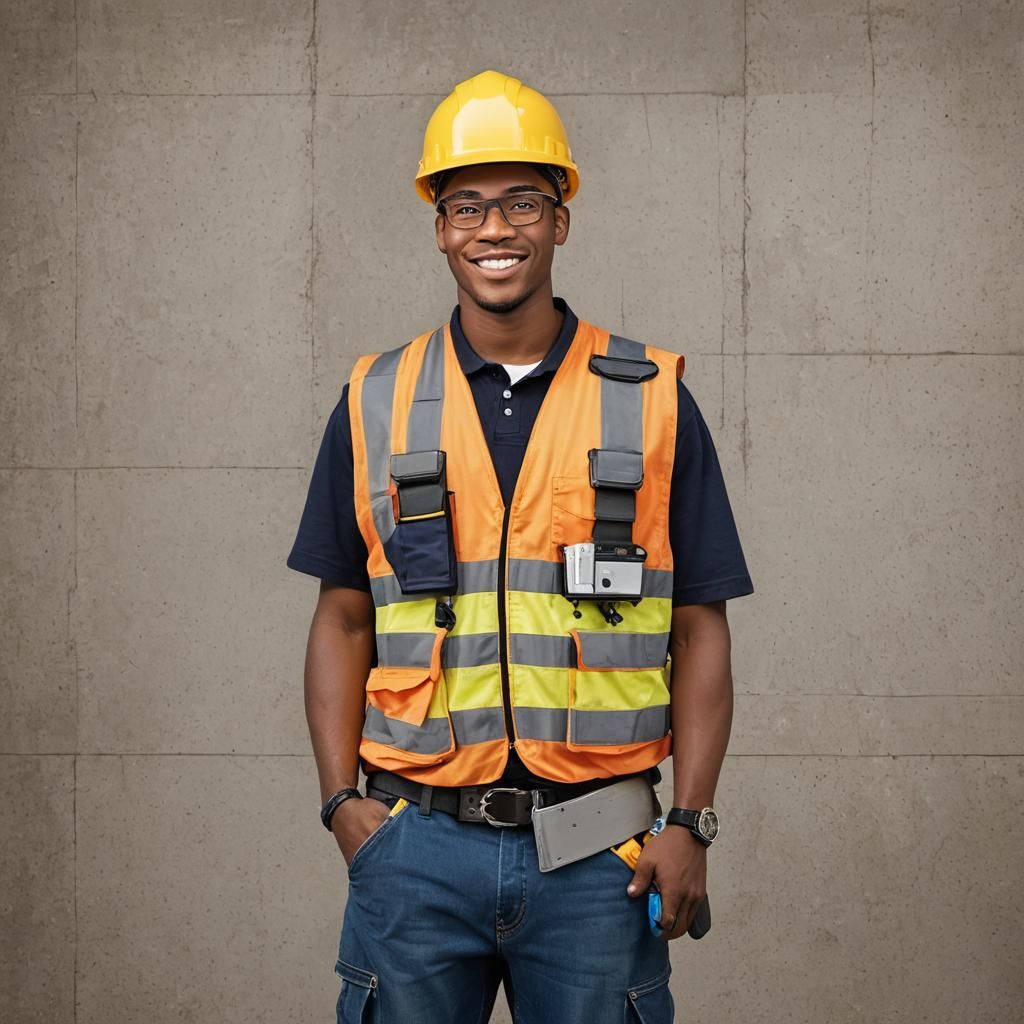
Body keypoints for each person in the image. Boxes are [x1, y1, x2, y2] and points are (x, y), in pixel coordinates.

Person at [287, 69, 754, 1024]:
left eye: (522, 203)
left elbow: (698, 627)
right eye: (467, 207)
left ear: (560, 220)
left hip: (602, 857)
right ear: (440, 229)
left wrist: (691, 822)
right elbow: (343, 620)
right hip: (415, 848)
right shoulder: (375, 400)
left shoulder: (652, 400)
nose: (494, 229)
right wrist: (343, 807)